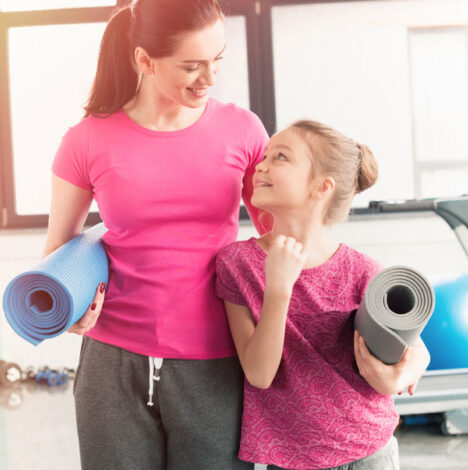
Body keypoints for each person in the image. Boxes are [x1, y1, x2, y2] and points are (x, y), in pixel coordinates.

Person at [44, 1, 271, 468]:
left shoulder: (243, 130)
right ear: (144, 60)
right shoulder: (87, 140)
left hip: (217, 359)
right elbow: (59, 250)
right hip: (113, 362)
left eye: (217, 60)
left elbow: (284, 240)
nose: (209, 78)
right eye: (191, 65)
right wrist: (68, 311)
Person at [215, 121, 431, 470]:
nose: (261, 164)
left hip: (370, 452)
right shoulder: (237, 263)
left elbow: (417, 351)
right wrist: (279, 289)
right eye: (265, 155)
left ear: (321, 187)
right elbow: (259, 374)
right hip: (291, 460)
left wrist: (400, 376)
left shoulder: (362, 269)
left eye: (280, 157)